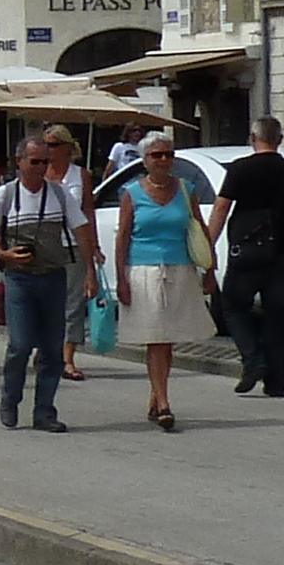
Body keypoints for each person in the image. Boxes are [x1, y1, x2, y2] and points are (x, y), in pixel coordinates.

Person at [0, 126, 99, 432]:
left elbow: (81, 229)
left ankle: (45, 410)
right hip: (19, 279)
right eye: (34, 162)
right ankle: (10, 399)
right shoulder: (5, 195)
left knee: (51, 348)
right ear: (19, 161)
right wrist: (5, 255)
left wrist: (90, 270)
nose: (40, 168)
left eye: (45, 162)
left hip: (53, 277)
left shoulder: (59, 194)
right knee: (20, 345)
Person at [104, 131, 216, 430]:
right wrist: (122, 280)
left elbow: (199, 228)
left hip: (180, 270)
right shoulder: (132, 192)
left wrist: (210, 269)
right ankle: (165, 402)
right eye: (156, 155)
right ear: (145, 160)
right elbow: (123, 237)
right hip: (144, 271)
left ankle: (156, 394)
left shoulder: (185, 189)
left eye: (168, 154)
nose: (163, 160)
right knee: (156, 339)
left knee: (167, 339)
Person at [207, 116, 284, 396]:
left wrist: (207, 247)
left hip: (246, 252)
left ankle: (253, 359)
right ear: (279, 140)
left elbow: (221, 209)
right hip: (283, 252)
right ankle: (276, 381)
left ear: (252, 138)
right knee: (278, 317)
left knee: (233, 306)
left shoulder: (240, 169)